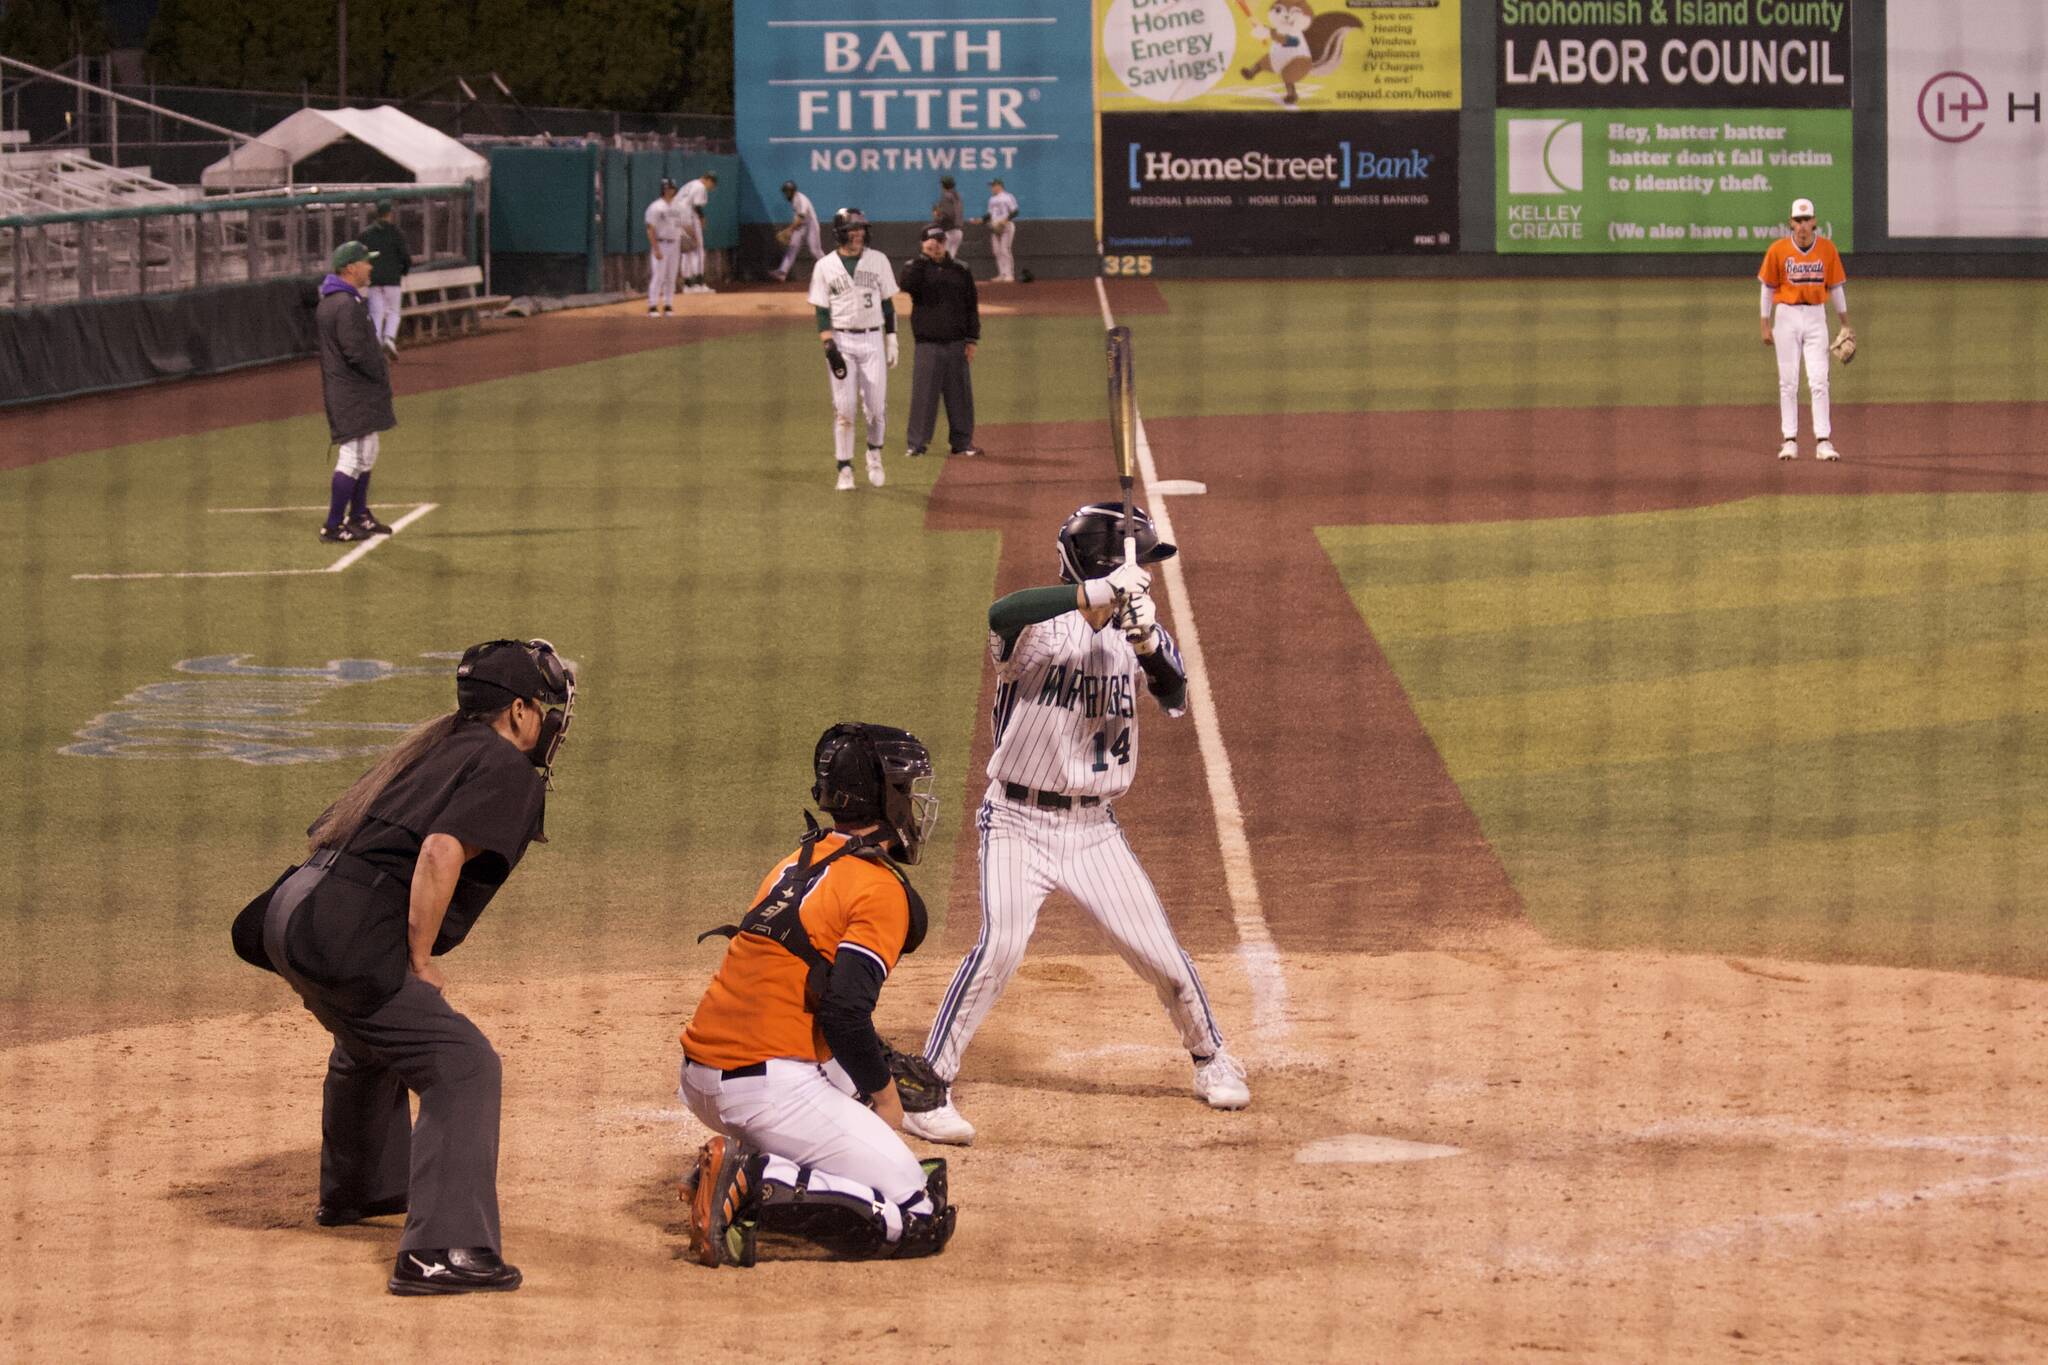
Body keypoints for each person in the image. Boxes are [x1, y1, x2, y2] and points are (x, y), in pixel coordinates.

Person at [228, 639, 577, 1295]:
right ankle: (440, 1250)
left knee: (372, 1037)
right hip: (338, 927)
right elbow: (441, 851)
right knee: (463, 1062)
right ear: (521, 710)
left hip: (290, 910)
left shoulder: (436, 746)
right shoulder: (504, 765)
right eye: (547, 706)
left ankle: (361, 1187)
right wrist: (416, 960)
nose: (554, 721)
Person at [906, 503, 1251, 1146]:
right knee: (1002, 945)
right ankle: (931, 1083)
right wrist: (1093, 595)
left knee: (1161, 956)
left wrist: (1147, 641)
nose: (1145, 571)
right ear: (1101, 563)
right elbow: (1000, 615)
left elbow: (1174, 694)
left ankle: (1211, 1057)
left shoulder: (1134, 627)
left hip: (1095, 831)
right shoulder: (1041, 630)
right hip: (1015, 819)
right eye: (1136, 560)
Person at [677, 723, 958, 1266]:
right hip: (762, 1088)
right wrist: (885, 1097)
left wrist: (868, 1070)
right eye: (908, 788)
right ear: (886, 797)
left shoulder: (794, 862)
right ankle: (754, 1179)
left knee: (856, 1082)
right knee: (920, 1214)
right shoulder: (878, 888)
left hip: (702, 1073)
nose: (917, 802)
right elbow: (845, 1012)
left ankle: (763, 1161)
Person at [808, 207, 900, 491]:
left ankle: (874, 452)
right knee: (844, 409)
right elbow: (822, 310)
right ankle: (844, 468)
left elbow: (887, 303)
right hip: (841, 340)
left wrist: (892, 338)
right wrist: (828, 344)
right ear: (839, 233)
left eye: (861, 228)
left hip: (873, 339)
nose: (858, 233)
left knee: (875, 407)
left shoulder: (878, 260)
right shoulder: (825, 266)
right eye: (852, 229)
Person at [1758, 196, 1853, 461]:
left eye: (1806, 219)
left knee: (1819, 380)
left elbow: (1836, 288)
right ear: (1790, 222)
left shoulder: (1827, 249)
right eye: (1797, 220)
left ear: (1814, 222)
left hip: (1815, 317)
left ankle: (1823, 441)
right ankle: (1790, 440)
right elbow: (1767, 288)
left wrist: (1845, 323)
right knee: (1788, 382)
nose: (1802, 225)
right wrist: (1765, 323)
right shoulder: (1777, 250)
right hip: (1786, 317)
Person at [315, 240, 395, 544]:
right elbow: (356, 352)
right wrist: (379, 369)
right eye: (366, 262)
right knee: (353, 456)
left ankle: (359, 514)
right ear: (351, 268)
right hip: (351, 392)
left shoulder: (341, 300)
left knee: (368, 451)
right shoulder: (344, 304)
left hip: (352, 390)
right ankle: (333, 525)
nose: (370, 266)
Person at [897, 224, 983, 460]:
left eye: (940, 241)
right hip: (928, 344)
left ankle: (963, 442)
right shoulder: (915, 268)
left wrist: (972, 338)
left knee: (960, 397)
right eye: (931, 241)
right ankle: (916, 445)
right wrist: (924, 258)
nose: (937, 245)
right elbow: (907, 285)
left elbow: (971, 306)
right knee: (923, 397)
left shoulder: (961, 269)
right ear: (923, 244)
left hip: (957, 343)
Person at [357, 199, 412, 358]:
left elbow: (358, 255)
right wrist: (404, 271)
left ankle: (375, 347)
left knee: (376, 313)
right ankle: (389, 338)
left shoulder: (365, 234)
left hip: (373, 280)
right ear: (389, 214)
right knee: (394, 312)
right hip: (392, 280)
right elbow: (406, 257)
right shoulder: (396, 232)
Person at [645, 178, 686, 316]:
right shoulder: (656, 206)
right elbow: (650, 229)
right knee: (658, 276)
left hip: (675, 244)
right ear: (663, 189)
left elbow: (680, 226)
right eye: (667, 188)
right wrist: (655, 248)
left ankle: (668, 305)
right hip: (661, 243)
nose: (670, 190)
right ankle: (652, 306)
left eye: (672, 188)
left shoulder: (678, 207)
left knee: (671, 276)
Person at [770, 179, 822, 283]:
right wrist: (791, 231)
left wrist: (789, 230)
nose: (786, 194)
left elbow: (801, 217)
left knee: (814, 250)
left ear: (793, 191)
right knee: (792, 247)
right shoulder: (794, 200)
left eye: (787, 191)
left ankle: (831, 269)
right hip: (801, 225)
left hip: (811, 224)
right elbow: (798, 219)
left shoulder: (801, 199)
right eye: (785, 192)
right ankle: (782, 272)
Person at [678, 171, 718, 294]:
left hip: (677, 218)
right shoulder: (700, 186)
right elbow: (697, 206)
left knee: (687, 252)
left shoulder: (690, 184)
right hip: (689, 218)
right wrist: (702, 219)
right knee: (698, 251)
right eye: (712, 184)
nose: (711, 187)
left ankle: (688, 285)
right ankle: (699, 284)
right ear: (708, 179)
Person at [978, 178, 1020, 284]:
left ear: (999, 186)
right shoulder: (992, 199)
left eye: (993, 185)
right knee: (997, 251)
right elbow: (990, 214)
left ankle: (1009, 274)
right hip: (995, 226)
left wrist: (1005, 220)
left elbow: (1015, 211)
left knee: (1005, 250)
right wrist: (981, 220)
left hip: (1006, 226)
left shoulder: (1008, 196)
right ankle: (1002, 274)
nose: (991, 188)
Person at [932, 175, 965, 260]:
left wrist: (937, 217)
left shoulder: (946, 196)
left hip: (949, 231)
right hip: (958, 231)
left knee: (943, 258)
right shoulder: (957, 196)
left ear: (943, 185)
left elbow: (947, 215)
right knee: (950, 258)